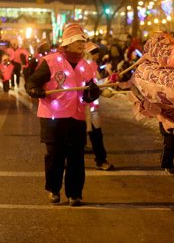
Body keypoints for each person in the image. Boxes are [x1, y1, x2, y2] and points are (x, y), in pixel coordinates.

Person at [26, 23, 100, 207]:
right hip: (53, 117)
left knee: (76, 157)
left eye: (83, 42)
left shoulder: (87, 65)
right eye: (77, 42)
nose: (82, 45)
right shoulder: (50, 61)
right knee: (55, 156)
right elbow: (32, 82)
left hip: (77, 117)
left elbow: (90, 92)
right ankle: (54, 189)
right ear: (67, 44)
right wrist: (35, 90)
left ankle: (75, 194)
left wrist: (92, 93)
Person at [84, 42, 115, 171]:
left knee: (97, 135)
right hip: (81, 109)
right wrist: (102, 91)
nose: (97, 56)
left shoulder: (92, 67)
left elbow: (95, 84)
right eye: (94, 53)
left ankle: (101, 160)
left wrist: (108, 82)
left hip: (92, 107)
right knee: (75, 137)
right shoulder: (82, 67)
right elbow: (85, 87)